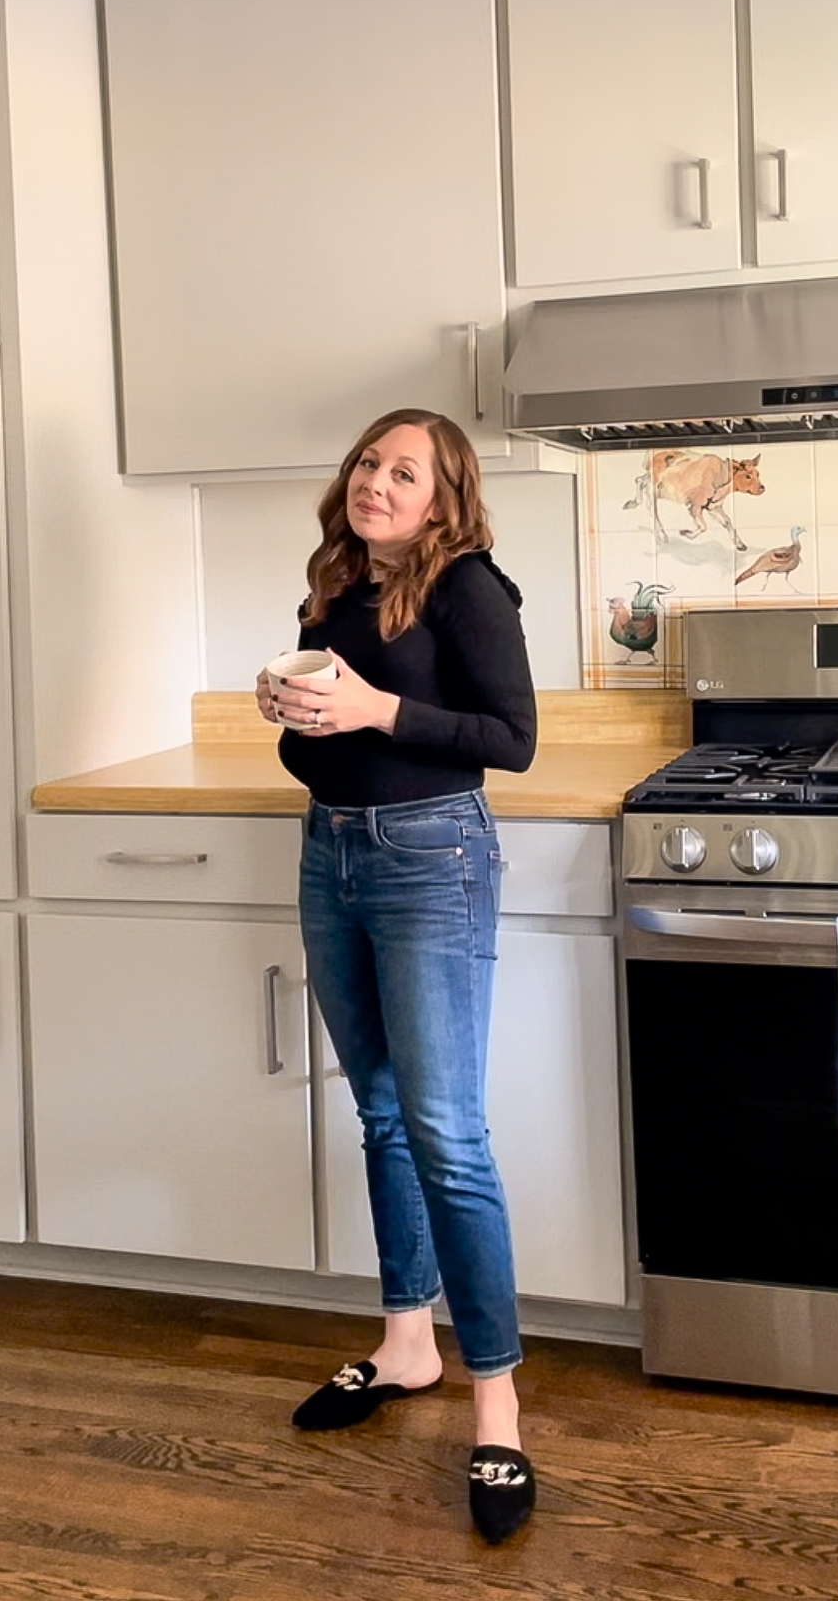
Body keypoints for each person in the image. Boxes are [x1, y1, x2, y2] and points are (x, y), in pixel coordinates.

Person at [255, 406, 538, 1545]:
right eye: (370, 461)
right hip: (333, 850)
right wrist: (286, 713)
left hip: (433, 855)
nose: (377, 480)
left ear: (444, 495)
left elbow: (509, 735)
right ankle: (406, 1341)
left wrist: (374, 706)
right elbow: (309, 747)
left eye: (404, 470)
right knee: (379, 1114)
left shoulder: (469, 585)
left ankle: (500, 1404)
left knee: (446, 1134)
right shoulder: (334, 581)